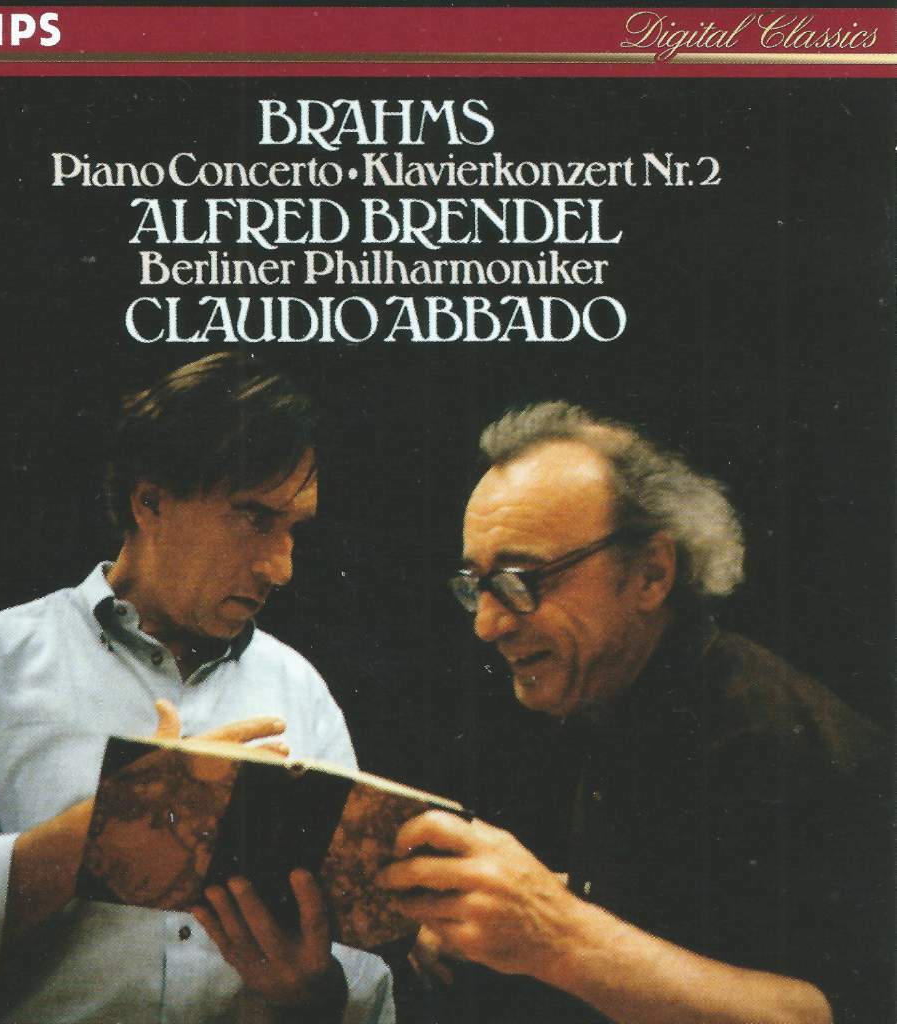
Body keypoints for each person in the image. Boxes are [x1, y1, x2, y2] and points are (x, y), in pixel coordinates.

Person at [0, 354, 393, 1024]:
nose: (282, 567)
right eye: (255, 518)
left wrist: (313, 991)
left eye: (293, 529)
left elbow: (363, 969)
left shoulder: (301, 691)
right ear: (151, 500)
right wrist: (110, 822)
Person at [379, 401, 889, 1024]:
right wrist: (490, 918)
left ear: (651, 574)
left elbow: (844, 1012)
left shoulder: (770, 737)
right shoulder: (610, 692)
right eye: (476, 586)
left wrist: (555, 932)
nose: (487, 625)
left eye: (521, 580)